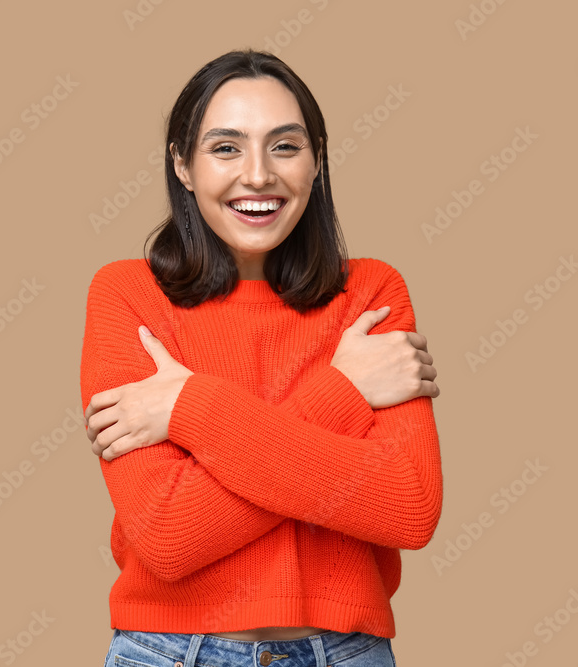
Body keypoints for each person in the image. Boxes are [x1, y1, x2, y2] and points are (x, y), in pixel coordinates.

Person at [79, 49, 443, 667]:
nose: (257, 176)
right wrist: (344, 391)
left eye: (285, 146)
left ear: (317, 160)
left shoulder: (373, 294)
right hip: (169, 653)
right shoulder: (128, 294)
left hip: (346, 653)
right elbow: (168, 537)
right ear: (183, 165)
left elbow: (407, 507)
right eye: (225, 148)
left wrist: (189, 405)